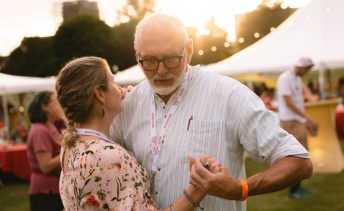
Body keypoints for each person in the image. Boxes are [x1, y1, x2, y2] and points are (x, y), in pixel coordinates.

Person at [110, 14, 313, 210]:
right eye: (150, 61)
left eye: (171, 59)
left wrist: (240, 189)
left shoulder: (229, 95)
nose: (161, 71)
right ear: (137, 56)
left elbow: (298, 161)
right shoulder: (128, 105)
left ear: (189, 50)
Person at [57, 56, 218, 211]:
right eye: (113, 81)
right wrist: (197, 190)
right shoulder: (109, 157)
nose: (120, 88)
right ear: (99, 93)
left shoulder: (72, 145)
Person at [276, 56, 319, 198]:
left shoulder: (296, 78)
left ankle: (296, 188)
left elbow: (298, 100)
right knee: (298, 157)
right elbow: (289, 103)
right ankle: (293, 191)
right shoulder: (285, 78)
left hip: (296, 121)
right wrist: (308, 119)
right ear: (301, 67)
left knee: (301, 155)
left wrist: (305, 121)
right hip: (290, 122)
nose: (307, 72)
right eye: (307, 69)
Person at [26, 91, 64, 211]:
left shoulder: (50, 127)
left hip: (53, 189)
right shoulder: (40, 131)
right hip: (45, 193)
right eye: (56, 102)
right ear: (44, 106)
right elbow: (45, 166)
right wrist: (68, 150)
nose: (59, 105)